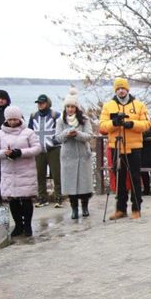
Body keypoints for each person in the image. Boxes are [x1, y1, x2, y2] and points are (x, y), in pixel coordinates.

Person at [99, 77, 151, 220]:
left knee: (135, 178)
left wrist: (132, 124)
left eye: (123, 88)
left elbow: (147, 124)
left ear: (127, 89)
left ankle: (136, 208)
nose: (121, 91)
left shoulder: (139, 105)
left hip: (134, 147)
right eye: (118, 88)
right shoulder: (108, 106)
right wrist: (114, 123)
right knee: (119, 179)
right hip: (116, 146)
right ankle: (121, 209)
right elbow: (102, 125)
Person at [0, 106, 41, 236]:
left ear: (20, 119)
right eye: (10, 119)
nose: (12, 122)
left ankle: (27, 225)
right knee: (13, 200)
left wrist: (21, 152)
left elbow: (37, 148)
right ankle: (18, 225)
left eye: (15, 119)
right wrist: (4, 153)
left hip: (25, 170)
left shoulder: (28, 132)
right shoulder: (0, 133)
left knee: (26, 199)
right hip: (9, 171)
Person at [54, 88, 95, 219]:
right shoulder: (60, 121)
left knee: (84, 185)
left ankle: (85, 207)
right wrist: (67, 134)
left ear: (76, 108)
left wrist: (77, 134)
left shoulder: (84, 119)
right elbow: (58, 138)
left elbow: (89, 135)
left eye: (72, 107)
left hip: (83, 155)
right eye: (68, 107)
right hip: (68, 157)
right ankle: (74, 209)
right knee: (70, 185)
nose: (70, 109)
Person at [28, 94, 63, 208]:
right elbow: (30, 131)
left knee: (57, 175)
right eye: (39, 103)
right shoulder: (33, 116)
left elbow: (60, 131)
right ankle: (42, 198)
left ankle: (58, 198)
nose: (40, 105)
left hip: (53, 149)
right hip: (39, 149)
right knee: (40, 175)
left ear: (47, 103)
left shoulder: (55, 115)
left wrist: (54, 142)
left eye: (42, 103)